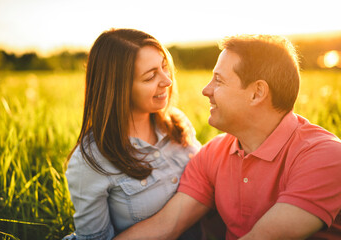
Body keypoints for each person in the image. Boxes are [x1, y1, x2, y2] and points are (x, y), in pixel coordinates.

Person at [114, 34, 341, 240]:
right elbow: (166, 225)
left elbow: (265, 237)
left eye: (219, 81)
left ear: (257, 93)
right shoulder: (214, 153)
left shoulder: (325, 155)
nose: (206, 90)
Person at [62, 28, 202, 240]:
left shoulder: (176, 123)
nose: (167, 81)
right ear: (118, 88)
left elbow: (207, 179)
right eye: (150, 77)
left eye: (164, 67)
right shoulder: (90, 161)